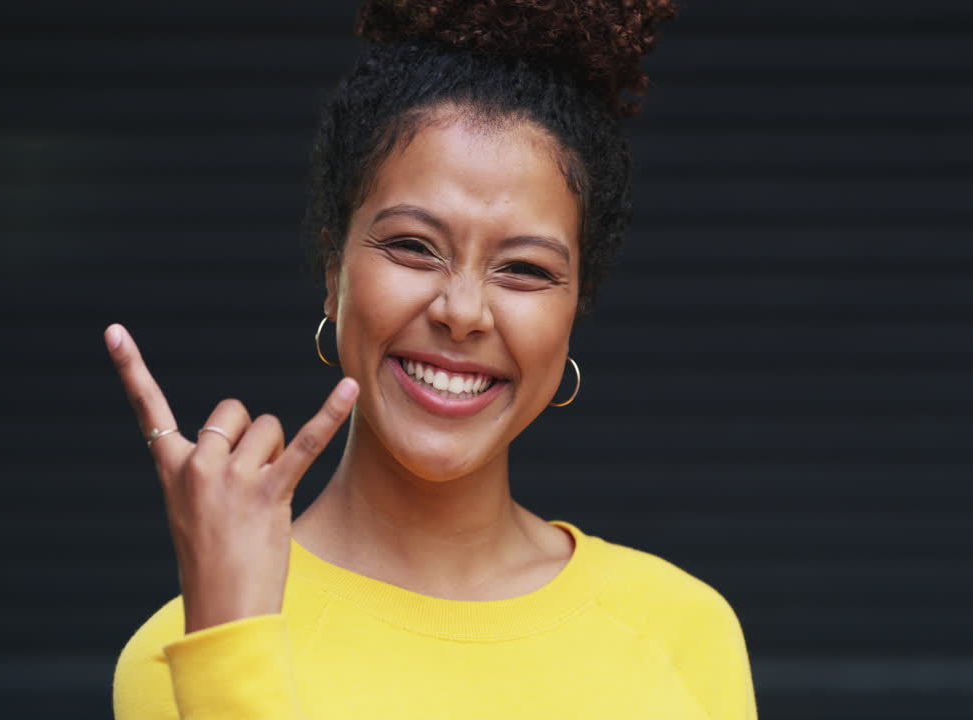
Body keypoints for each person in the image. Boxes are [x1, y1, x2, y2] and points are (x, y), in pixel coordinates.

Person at [109, 1, 756, 718]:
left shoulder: (681, 628)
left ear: (574, 311)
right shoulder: (191, 646)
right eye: (414, 247)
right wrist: (229, 644)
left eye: (525, 270)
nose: (462, 311)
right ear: (335, 272)